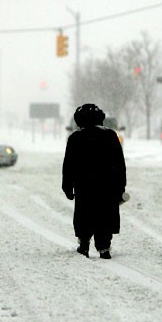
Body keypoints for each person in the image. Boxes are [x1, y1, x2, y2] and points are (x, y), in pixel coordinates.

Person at [62, 103, 126, 259]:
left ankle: (84, 244)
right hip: (107, 187)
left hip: (84, 187)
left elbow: (68, 166)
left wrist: (67, 187)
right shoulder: (110, 136)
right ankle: (104, 247)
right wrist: (120, 188)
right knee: (105, 215)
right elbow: (119, 165)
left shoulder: (75, 138)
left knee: (84, 215)